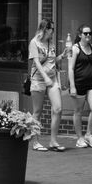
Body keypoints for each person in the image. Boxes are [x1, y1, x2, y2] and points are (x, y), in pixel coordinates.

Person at [28, 19, 67, 151]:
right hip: (39, 79)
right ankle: (35, 142)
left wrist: (62, 56)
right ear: (45, 29)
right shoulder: (34, 43)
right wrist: (45, 78)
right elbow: (37, 63)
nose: (53, 32)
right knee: (37, 111)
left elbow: (51, 61)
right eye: (52, 29)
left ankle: (53, 141)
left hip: (53, 78)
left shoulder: (51, 42)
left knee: (58, 109)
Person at [67, 24, 92, 148]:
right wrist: (72, 86)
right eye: (85, 33)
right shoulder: (75, 48)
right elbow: (70, 69)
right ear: (79, 35)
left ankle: (88, 135)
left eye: (90, 33)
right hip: (78, 83)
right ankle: (79, 138)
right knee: (78, 111)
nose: (88, 35)